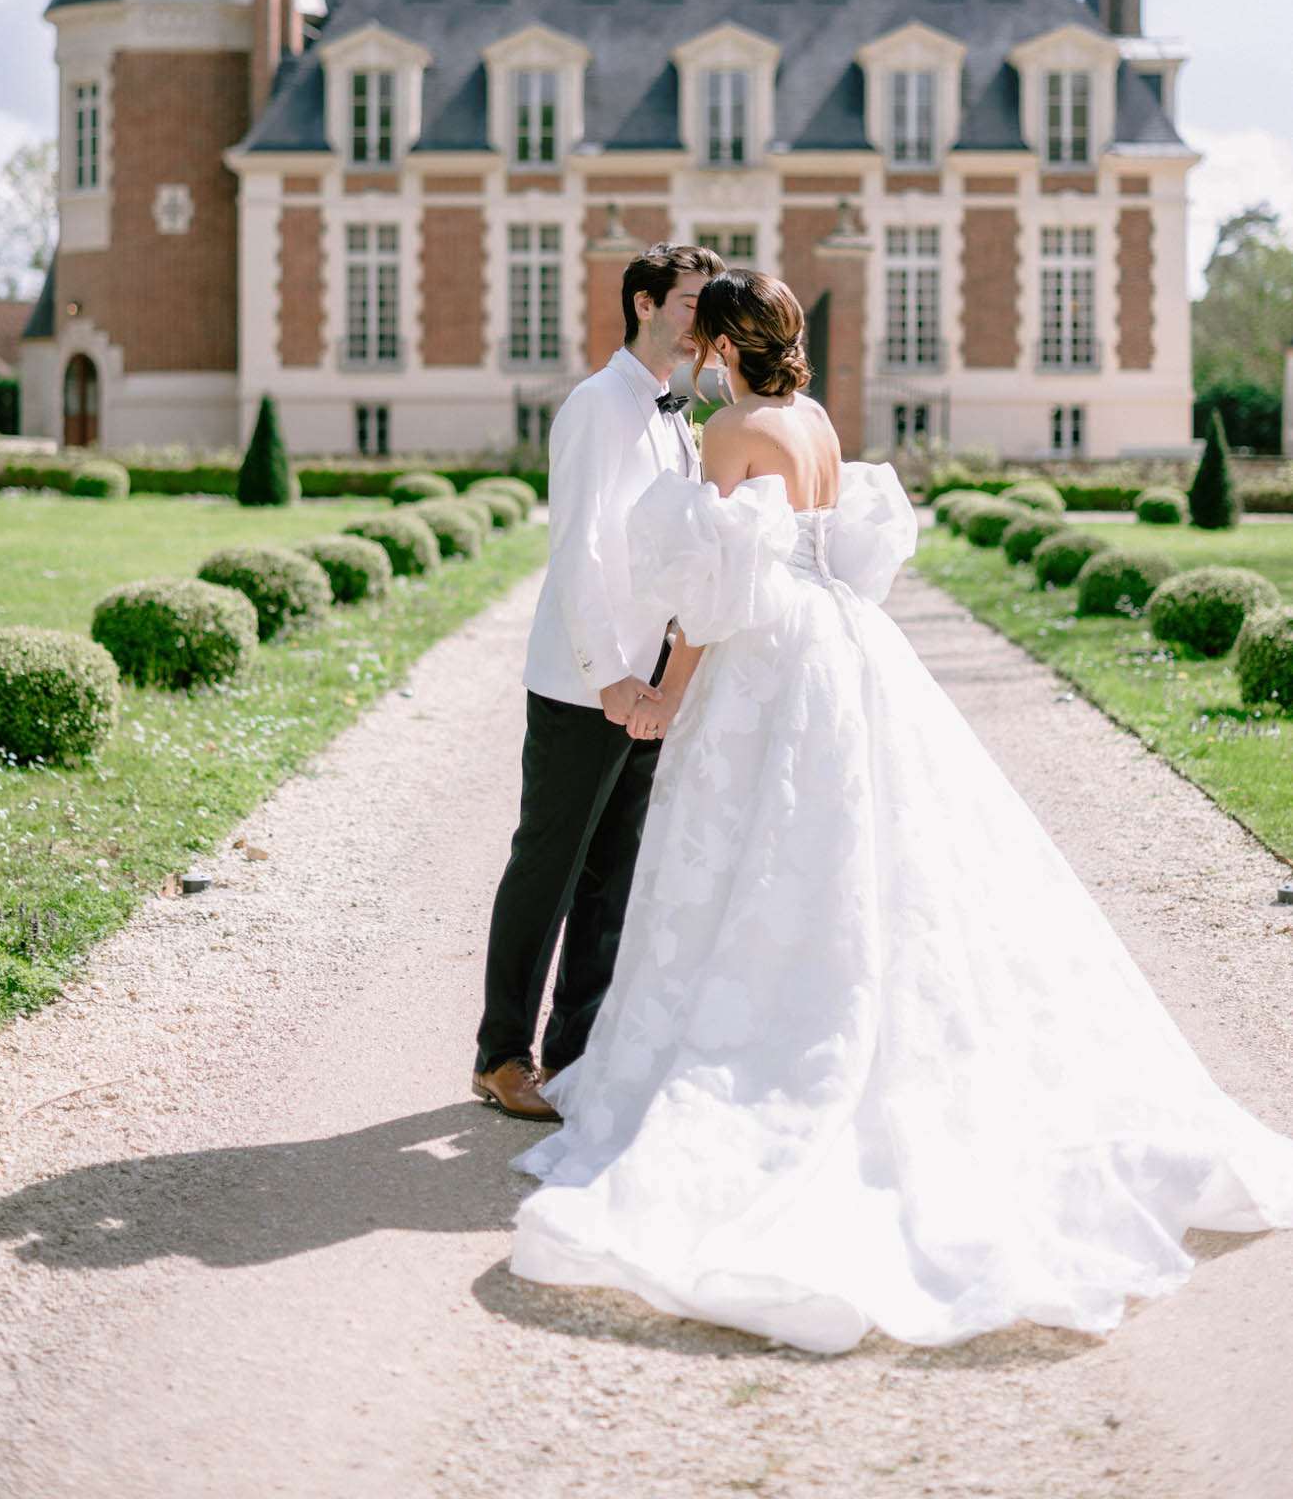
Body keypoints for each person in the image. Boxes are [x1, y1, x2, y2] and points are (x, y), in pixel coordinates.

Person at [508, 268, 1293, 1352]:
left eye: (706, 335)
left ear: (723, 346)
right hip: (848, 643)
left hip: (768, 657)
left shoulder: (734, 430)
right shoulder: (819, 420)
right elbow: (830, 549)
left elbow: (715, 595)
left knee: (751, 849)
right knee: (858, 845)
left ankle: (770, 1048)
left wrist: (666, 694)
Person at [471, 241, 724, 1121]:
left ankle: (575, 1053)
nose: (707, 317)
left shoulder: (676, 414)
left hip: (650, 679)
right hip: (589, 683)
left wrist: (664, 673)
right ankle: (502, 1054)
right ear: (648, 301)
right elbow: (574, 549)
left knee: (614, 875)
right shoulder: (595, 406)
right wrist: (610, 676)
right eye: (696, 301)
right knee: (548, 864)